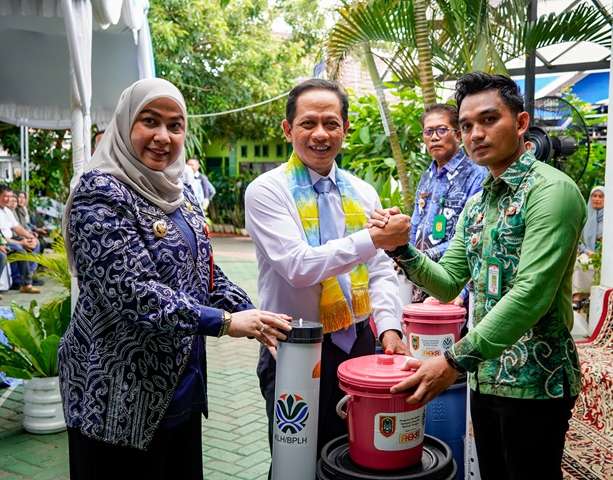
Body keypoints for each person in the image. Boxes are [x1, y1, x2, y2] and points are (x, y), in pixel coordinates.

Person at [59, 77, 292, 480]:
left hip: (178, 388)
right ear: (125, 123)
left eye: (175, 125)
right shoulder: (99, 192)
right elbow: (130, 290)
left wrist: (252, 314)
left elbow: (204, 271)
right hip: (117, 394)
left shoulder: (181, 193)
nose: (163, 137)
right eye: (150, 121)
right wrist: (224, 322)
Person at [369, 72, 587, 480]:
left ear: (521, 123)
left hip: (535, 380)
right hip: (484, 375)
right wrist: (400, 248)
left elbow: (531, 294)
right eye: (467, 125)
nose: (476, 134)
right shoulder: (478, 203)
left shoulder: (551, 192)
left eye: (489, 120)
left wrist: (453, 360)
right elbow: (448, 280)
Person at [244, 78, 410, 462]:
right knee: (295, 463)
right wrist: (374, 238)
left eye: (331, 123)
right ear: (288, 130)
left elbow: (378, 269)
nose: (320, 134)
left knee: (356, 456)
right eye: (308, 123)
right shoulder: (267, 191)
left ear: (345, 129)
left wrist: (389, 327)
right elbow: (299, 265)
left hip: (359, 346)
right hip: (294, 348)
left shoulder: (362, 193)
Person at [409, 103, 487, 305]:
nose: (434, 137)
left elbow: (474, 236)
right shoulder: (427, 176)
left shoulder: (476, 174)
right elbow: (415, 223)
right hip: (420, 277)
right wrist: (406, 255)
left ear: (458, 134)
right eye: (428, 132)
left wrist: (423, 256)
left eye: (442, 130)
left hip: (453, 282)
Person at [0, 184, 41, 293]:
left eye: (10, 196)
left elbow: (17, 227)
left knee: (36, 243)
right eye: (5, 196)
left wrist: (31, 237)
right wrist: (21, 243)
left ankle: (29, 275)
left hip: (10, 239)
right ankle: (23, 283)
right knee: (20, 249)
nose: (8, 199)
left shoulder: (6, 210)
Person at [572, 185, 605, 309]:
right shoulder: (584, 216)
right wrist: (587, 251)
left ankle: (594, 297)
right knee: (578, 264)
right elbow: (579, 240)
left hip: (604, 254)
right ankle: (577, 297)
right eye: (594, 196)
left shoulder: (610, 217)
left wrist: (601, 253)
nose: (597, 199)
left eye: (600, 196)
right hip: (587, 252)